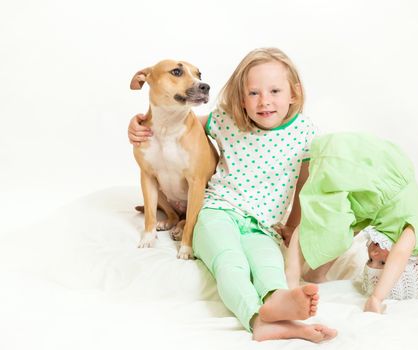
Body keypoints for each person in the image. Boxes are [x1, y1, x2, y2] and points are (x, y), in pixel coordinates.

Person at [128, 48, 337, 342]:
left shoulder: (305, 132)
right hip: (216, 212)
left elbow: (303, 184)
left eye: (275, 91)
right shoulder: (226, 120)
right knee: (229, 262)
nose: (264, 101)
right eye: (253, 93)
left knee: (268, 265)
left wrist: (292, 225)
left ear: (294, 94)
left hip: (263, 225)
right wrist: (138, 127)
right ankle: (255, 318)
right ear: (241, 98)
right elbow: (178, 127)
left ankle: (279, 301)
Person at [282, 132, 418, 313]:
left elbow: (347, 231)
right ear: (410, 264)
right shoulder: (417, 232)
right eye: (382, 264)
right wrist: (377, 297)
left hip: (370, 196)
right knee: (317, 226)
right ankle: (290, 281)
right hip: (366, 170)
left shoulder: (385, 224)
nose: (374, 254)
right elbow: (399, 255)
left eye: (370, 260)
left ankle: (315, 274)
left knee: (335, 229)